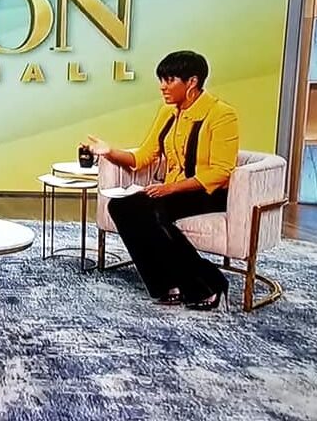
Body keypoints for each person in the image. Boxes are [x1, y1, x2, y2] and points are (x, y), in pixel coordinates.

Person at [82, 50, 237, 311]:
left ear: (192, 82)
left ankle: (206, 283)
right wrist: (108, 152)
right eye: (161, 80)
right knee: (120, 206)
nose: (162, 86)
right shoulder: (168, 113)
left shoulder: (221, 114)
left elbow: (221, 171)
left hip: (208, 193)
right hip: (173, 191)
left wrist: (169, 188)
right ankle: (168, 283)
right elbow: (142, 157)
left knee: (149, 210)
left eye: (169, 80)